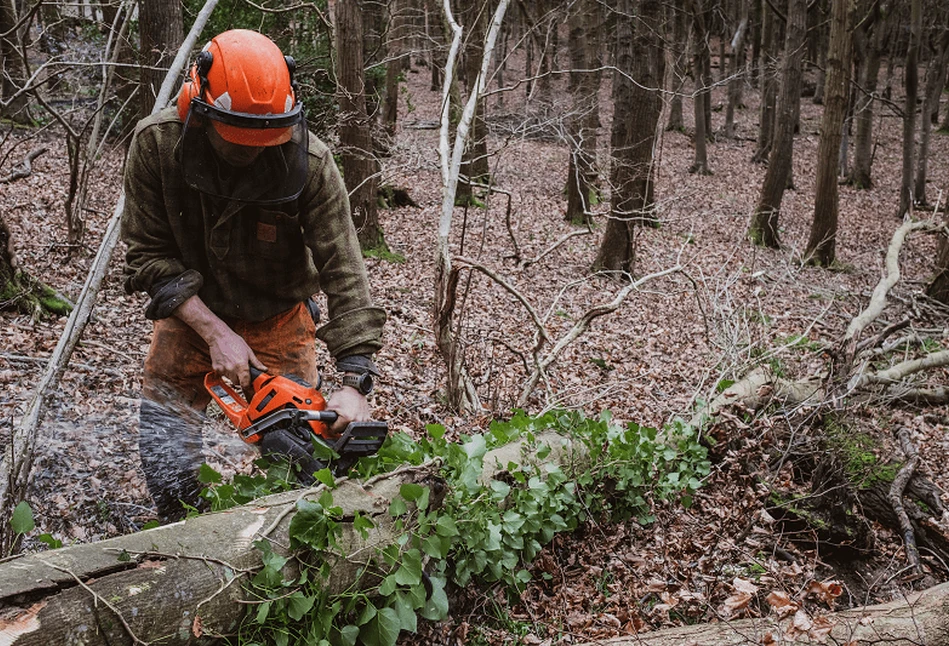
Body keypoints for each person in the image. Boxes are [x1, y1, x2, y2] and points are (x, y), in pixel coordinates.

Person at [121, 29, 386, 521]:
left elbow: (345, 270)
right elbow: (148, 256)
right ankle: (184, 533)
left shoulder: (311, 162)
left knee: (301, 457)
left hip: (280, 316)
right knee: (165, 438)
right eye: (240, 139)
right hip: (190, 313)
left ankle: (279, 547)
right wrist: (214, 332)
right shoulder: (156, 147)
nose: (255, 150)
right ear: (199, 110)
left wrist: (355, 379)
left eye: (267, 139)